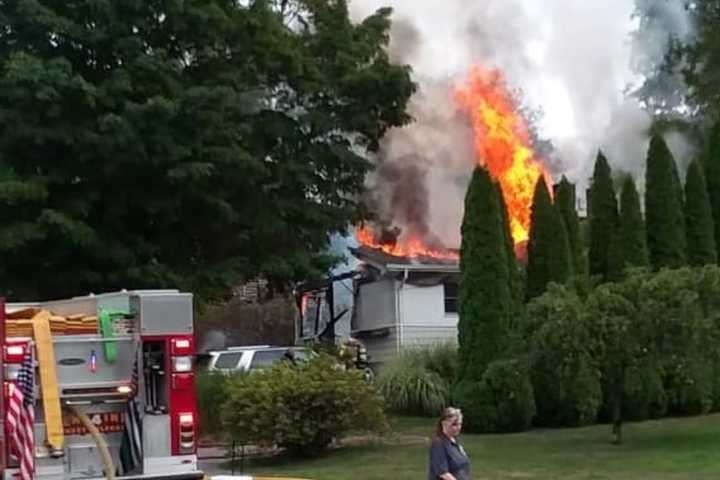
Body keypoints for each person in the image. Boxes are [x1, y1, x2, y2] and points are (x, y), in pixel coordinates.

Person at [428, 407, 471, 480]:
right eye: (454, 424)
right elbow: (443, 473)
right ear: (444, 423)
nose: (458, 427)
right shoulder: (438, 444)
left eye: (460, 424)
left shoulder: (455, 441)